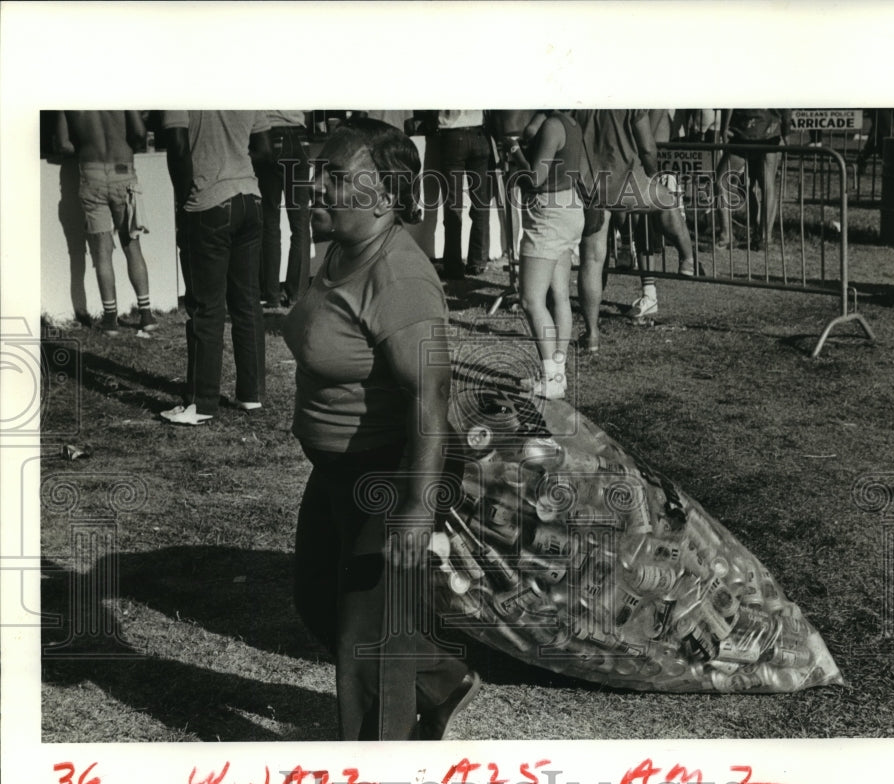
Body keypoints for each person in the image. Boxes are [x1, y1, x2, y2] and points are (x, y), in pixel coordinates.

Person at [282, 118, 477, 740]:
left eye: (336, 178)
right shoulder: (341, 249)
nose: (317, 187)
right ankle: (441, 678)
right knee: (318, 599)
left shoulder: (400, 278)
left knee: (361, 643)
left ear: (387, 194)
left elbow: (432, 395)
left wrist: (416, 509)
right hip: (339, 465)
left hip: (392, 470)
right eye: (319, 173)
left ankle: (376, 773)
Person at [160, 110, 271, 425]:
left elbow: (178, 148)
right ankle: (252, 394)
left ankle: (202, 402)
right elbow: (264, 149)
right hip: (250, 197)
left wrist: (185, 202)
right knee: (247, 301)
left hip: (208, 202)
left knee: (206, 306)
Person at [573, 109, 701, 350]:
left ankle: (591, 335)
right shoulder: (629, 101)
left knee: (591, 260)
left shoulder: (580, 99)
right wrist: (653, 174)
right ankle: (687, 259)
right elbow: (648, 148)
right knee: (667, 202)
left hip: (591, 187)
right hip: (628, 183)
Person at [503, 110, 585, 400]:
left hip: (548, 211)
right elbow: (531, 132)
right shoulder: (569, 123)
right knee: (559, 295)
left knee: (531, 299)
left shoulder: (552, 124)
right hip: (568, 206)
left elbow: (536, 177)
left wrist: (514, 151)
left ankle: (552, 379)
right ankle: (556, 374)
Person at [54, 110, 157, 335]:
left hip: (92, 174)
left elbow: (62, 144)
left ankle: (110, 320)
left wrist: (85, 147)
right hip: (123, 172)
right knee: (132, 246)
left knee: (102, 253)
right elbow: (140, 133)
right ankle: (146, 315)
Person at [253, 110, 313, 309]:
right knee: (301, 223)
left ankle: (271, 295)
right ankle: (296, 294)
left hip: (269, 135)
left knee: (270, 221)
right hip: (300, 139)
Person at [715, 108, 790, 251]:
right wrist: (786, 132)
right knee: (768, 185)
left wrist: (724, 129)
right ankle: (764, 238)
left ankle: (726, 235)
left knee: (721, 181)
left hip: (744, 131)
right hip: (770, 131)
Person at [436, 110, 492, 279]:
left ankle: (453, 265)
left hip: (452, 135)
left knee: (453, 204)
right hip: (479, 134)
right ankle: (478, 261)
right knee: (480, 203)